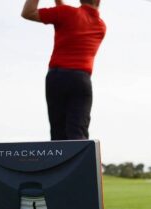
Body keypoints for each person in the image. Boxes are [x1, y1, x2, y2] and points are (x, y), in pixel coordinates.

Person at [21, 0, 106, 140]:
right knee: (77, 132)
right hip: (80, 80)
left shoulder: (66, 13)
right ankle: (82, 162)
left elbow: (28, 13)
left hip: (56, 78)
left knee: (58, 135)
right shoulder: (101, 26)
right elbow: (71, 16)